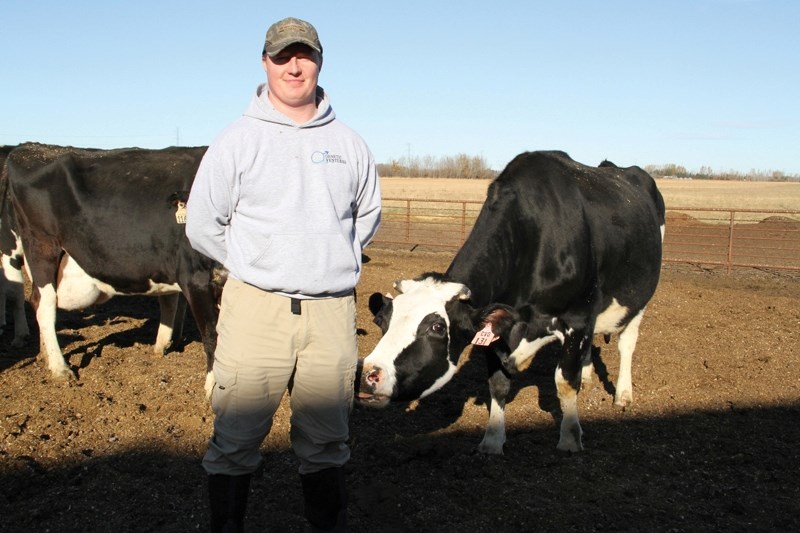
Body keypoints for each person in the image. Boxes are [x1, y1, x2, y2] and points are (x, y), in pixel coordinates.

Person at [185, 16, 381, 532]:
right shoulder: (236, 141)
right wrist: (259, 264)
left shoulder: (351, 145)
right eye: (282, 56)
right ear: (265, 62)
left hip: (331, 314)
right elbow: (204, 226)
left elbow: (366, 220)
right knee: (234, 439)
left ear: (320, 61)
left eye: (305, 55)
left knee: (327, 442)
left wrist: (321, 260)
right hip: (256, 311)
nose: (294, 66)